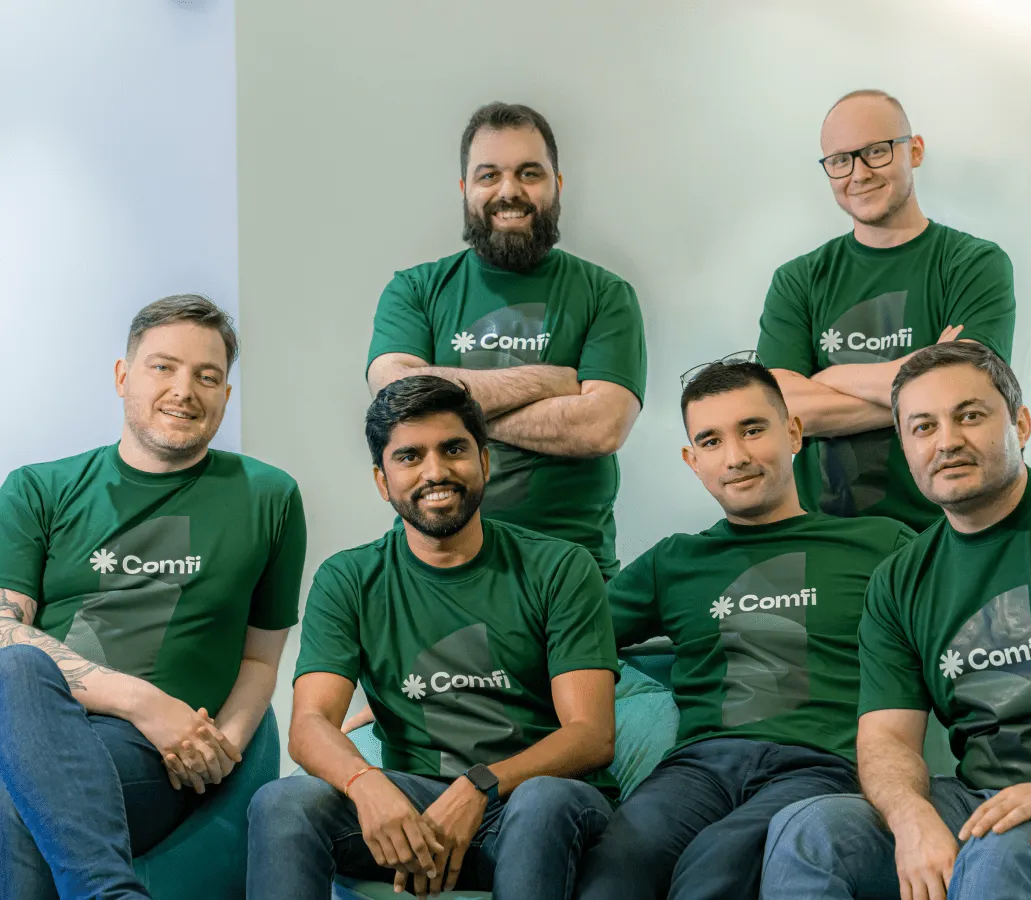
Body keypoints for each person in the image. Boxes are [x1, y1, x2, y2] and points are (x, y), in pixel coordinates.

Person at [761, 342, 1031, 900]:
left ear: (1021, 424)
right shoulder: (899, 581)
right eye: (922, 427)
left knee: (1007, 851)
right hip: (984, 805)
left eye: (970, 416)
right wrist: (911, 817)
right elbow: (885, 739)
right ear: (906, 448)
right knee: (810, 831)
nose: (947, 441)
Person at [247, 376, 620, 899]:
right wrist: (366, 784)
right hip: (414, 806)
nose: (435, 471)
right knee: (283, 803)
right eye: (409, 457)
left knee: (544, 803)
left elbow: (592, 734)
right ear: (383, 480)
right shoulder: (349, 578)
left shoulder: (559, 567)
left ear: (484, 462)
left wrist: (480, 785)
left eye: (453, 449)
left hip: (535, 808)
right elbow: (309, 726)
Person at [0, 295, 306, 899]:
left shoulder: (269, 497)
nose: (184, 390)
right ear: (123, 376)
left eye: (207, 376)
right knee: (16, 669)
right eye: (163, 366)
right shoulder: (38, 489)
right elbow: (4, 630)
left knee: (17, 803)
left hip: (158, 761)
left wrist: (222, 747)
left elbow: (260, 661)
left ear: (224, 393)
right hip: (50, 725)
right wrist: (145, 702)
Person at [575, 354, 914, 900]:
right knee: (611, 872)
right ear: (692, 460)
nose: (735, 457)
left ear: (794, 432)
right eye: (711, 441)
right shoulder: (675, 561)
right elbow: (563, 640)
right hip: (698, 768)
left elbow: (965, 616)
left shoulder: (881, 544)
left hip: (821, 767)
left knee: (718, 865)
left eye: (752, 430)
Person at [366, 101, 646, 580]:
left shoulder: (606, 294)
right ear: (465, 189)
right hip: (432, 567)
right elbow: (395, 390)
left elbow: (601, 427)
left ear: (557, 185)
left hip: (573, 567)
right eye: (489, 175)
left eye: (529, 173)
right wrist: (551, 382)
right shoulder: (414, 289)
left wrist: (447, 418)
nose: (509, 191)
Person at [757, 89, 1016, 532]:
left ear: (914, 151)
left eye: (876, 152)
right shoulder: (798, 279)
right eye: (840, 160)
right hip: (829, 533)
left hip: (953, 529)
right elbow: (781, 410)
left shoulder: (972, 263)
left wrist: (829, 379)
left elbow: (961, 388)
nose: (859, 173)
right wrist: (921, 390)